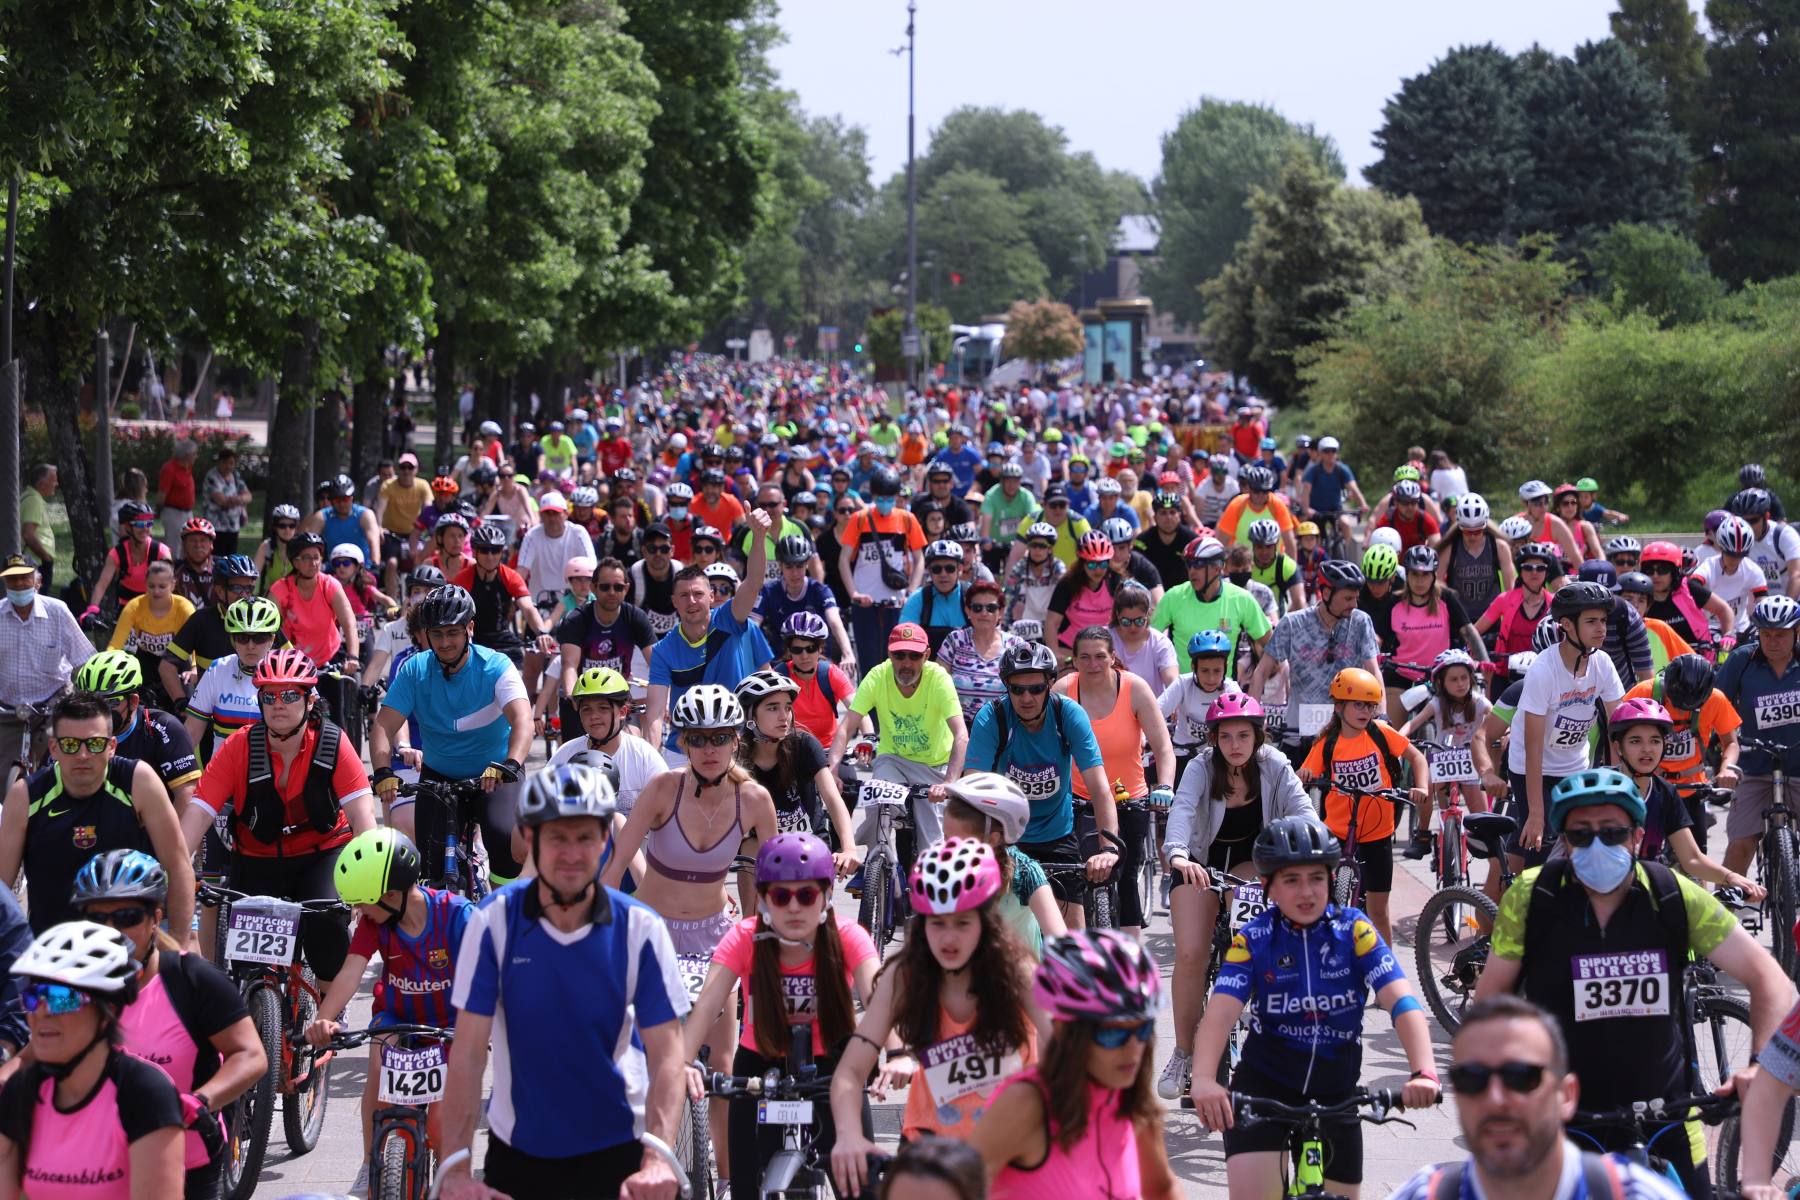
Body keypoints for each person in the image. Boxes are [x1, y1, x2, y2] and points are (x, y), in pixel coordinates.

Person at [1474, 767, 1794, 1199]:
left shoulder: (1670, 892)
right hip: (1563, 1122)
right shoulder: (1534, 897)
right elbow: (1490, 1000)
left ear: (1637, 837)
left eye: (1612, 832)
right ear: (1563, 842)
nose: (1597, 844)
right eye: (1580, 835)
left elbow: (1770, 978)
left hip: (1669, 1119)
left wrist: (1760, 1064)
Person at [439, 765, 689, 1200]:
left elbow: (667, 1054)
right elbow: (467, 1053)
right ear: (531, 841)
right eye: (557, 837)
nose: (572, 854)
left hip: (619, 1150)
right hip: (520, 1153)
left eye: (585, 838)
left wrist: (658, 1155)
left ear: (605, 842)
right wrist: (456, 1165)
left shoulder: (640, 929)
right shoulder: (494, 922)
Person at [1190, 815, 1440, 1200]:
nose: (1306, 891)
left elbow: (1402, 1002)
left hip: (1337, 1093)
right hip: (1262, 1092)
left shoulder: (1354, 931)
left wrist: (1424, 1071)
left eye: (1317, 878)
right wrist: (1205, 1080)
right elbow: (1220, 1013)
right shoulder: (1254, 939)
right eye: (1291, 880)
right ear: (1267, 887)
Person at [600, 685, 779, 1193]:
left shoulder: (754, 799)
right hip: (651, 935)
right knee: (631, 1058)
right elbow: (615, 870)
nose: (708, 748)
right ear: (682, 740)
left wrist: (772, 944)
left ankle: (724, 1180)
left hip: (714, 939)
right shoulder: (663, 789)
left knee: (724, 1068)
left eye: (719, 737)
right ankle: (629, 1166)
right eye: (697, 737)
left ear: (735, 740)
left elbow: (776, 884)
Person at [828, 839, 1041, 1197]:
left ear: (988, 921)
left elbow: (1064, 1055)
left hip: (1012, 1147)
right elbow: (850, 1071)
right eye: (937, 923)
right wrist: (848, 1135)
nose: (949, 937)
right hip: (930, 1154)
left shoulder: (1019, 972)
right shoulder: (905, 975)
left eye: (963, 923)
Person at [683, 832, 878, 1193]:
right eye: (780, 895)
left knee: (860, 1185)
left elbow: (878, 999)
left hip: (833, 1066)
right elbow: (708, 1003)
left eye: (806, 895)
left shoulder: (848, 935)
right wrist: (682, 1060)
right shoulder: (744, 937)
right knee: (745, 1186)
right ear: (762, 899)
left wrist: (895, 1054)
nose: (793, 907)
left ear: (826, 896)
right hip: (759, 1064)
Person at [72, 850, 264, 1199]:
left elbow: (250, 1055)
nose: (112, 931)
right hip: (93, 1163)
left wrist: (202, 1101)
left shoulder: (193, 980)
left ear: (154, 917)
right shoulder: (68, 987)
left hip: (184, 1163)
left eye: (127, 916)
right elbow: (32, 1057)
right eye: (97, 919)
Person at [1157, 694, 1313, 1100]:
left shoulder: (1275, 765)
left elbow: (1304, 812)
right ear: (1214, 739)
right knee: (1192, 952)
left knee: (1261, 942)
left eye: (1244, 735)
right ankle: (1184, 1053)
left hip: (1250, 863)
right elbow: (1183, 812)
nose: (1235, 745)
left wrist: (1320, 849)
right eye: (1226, 737)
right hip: (1199, 864)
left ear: (1258, 736)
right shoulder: (1200, 767)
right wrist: (1176, 854)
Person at [1386, 994, 1689, 1200]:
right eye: (1472, 1079)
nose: (1496, 1098)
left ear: (1566, 1095)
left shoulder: (1638, 1195)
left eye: (1520, 1077)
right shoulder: (1425, 1193)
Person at [969, 930, 1180, 1200]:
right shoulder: (1027, 1103)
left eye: (1142, 1030)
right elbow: (956, 1190)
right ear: (1064, 1030)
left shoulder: (1128, 1099)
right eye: (1112, 1033)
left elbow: (1162, 1188)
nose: (1133, 1048)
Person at [305, 828, 471, 1165]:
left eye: (362, 902)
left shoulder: (456, 914)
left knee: (441, 1126)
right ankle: (372, 1165)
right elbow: (351, 970)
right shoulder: (374, 923)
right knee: (379, 1079)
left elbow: (488, 976)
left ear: (391, 895)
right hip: (395, 1018)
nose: (357, 912)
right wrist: (324, 1017)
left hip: (453, 1025)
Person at [0, 921, 185, 1197]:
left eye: (61, 998)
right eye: (33, 996)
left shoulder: (145, 1093)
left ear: (107, 1009)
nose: (41, 1012)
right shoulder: (20, 1092)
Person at [369, 585, 534, 885]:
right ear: (425, 634)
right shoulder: (414, 669)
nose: (445, 642)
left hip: (496, 771)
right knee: (429, 867)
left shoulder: (495, 666)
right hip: (439, 774)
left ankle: (502, 913)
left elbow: (524, 719)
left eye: (453, 633)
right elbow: (383, 726)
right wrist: (382, 771)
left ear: (470, 628)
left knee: (507, 845)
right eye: (437, 634)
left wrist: (511, 764)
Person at [0, 690, 196, 938]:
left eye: (94, 744)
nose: (83, 755)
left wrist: (179, 947)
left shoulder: (139, 782)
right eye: (70, 745)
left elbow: (178, 867)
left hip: (129, 954)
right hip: (51, 955)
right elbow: (2, 891)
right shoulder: (25, 796)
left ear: (112, 746)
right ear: (54, 749)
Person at [963, 641, 1118, 927]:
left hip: (1056, 836)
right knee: (993, 936)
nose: (1026, 698)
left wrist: (1107, 849)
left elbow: (1100, 788)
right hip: (1005, 838)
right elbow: (973, 790)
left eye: (1036, 688)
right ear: (1006, 686)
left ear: (1050, 683)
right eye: (1017, 689)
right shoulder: (993, 717)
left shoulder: (1068, 714)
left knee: (1071, 942)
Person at [1058, 626, 1175, 937]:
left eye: (1100, 656)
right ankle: (1077, 953)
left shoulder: (1134, 689)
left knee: (1125, 878)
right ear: (1074, 660)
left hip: (1128, 798)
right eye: (1084, 657)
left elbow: (1163, 747)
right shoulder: (1062, 691)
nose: (1092, 664)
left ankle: (1130, 968)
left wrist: (1163, 785)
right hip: (1079, 799)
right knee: (1074, 876)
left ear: (1113, 658)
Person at [1297, 667, 1427, 944]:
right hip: (1338, 830)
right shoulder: (1328, 742)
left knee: (1379, 910)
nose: (1365, 711)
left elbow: (1417, 758)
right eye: (1358, 704)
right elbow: (1303, 773)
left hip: (1378, 832)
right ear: (1339, 705)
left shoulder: (1381, 732)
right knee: (1322, 901)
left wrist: (1422, 787)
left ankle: (1387, 974)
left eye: (1370, 705)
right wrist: (1305, 775)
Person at [643, 510, 778, 768]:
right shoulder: (663, 650)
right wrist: (652, 762)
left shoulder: (729, 620)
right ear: (674, 602)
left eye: (697, 594)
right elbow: (654, 715)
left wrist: (759, 537)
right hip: (681, 749)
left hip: (733, 742)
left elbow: (753, 583)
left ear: (711, 596)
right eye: (683, 596)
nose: (691, 601)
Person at [1508, 581, 1626, 867]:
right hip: (1532, 770)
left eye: (1603, 620)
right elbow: (1533, 748)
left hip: (1575, 768)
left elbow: (1620, 725)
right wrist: (1536, 813)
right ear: (1567, 625)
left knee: (1585, 845)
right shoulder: (1543, 671)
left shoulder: (1603, 663)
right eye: (1591, 621)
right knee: (1541, 847)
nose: (1601, 628)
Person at [827, 622, 968, 848]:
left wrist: (949, 782)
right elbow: (845, 727)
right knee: (876, 808)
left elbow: (961, 734)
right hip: (893, 760)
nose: (906, 663)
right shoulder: (878, 675)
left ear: (927, 655)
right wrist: (833, 772)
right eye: (899, 655)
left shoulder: (939, 679)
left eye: (914, 655)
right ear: (889, 654)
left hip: (934, 766)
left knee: (931, 849)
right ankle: (874, 863)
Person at [735, 669, 859, 872]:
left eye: (788, 707)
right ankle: (751, 907)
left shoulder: (805, 744)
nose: (784, 716)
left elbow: (832, 798)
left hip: (809, 844)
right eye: (773, 708)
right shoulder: (738, 755)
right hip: (762, 846)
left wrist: (849, 849)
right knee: (749, 848)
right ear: (750, 715)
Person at [545, 666, 665, 818]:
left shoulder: (644, 755)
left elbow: (667, 808)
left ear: (622, 712)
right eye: (586, 709)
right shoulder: (565, 754)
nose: (594, 716)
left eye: (603, 708)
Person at [1150, 536, 1272, 681]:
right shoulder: (1173, 597)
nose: (1192, 571)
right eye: (1189, 564)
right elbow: (1146, 642)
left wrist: (1258, 676)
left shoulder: (1242, 599)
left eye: (1199, 564)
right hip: (1182, 695)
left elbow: (1271, 645)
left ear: (1218, 568)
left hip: (1225, 696)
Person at [199, 447, 251, 558]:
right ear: (220, 462)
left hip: (233, 526)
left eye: (231, 463)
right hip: (215, 527)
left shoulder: (236, 476)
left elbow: (248, 496)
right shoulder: (212, 477)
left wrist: (237, 499)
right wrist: (239, 499)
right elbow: (222, 501)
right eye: (225, 462)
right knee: (215, 557)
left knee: (230, 558)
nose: (228, 466)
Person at [20, 465, 57, 592]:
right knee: (39, 601)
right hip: (36, 562)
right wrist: (45, 557)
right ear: (42, 484)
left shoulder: (30, 497)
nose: (56, 484)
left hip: (35, 561)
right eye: (54, 481)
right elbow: (28, 534)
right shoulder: (33, 501)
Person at [158, 440, 199, 545]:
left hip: (187, 513)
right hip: (174, 513)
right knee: (175, 545)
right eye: (194, 454)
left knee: (188, 544)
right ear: (187, 455)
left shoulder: (187, 467)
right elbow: (162, 494)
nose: (196, 456)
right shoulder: (170, 469)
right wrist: (158, 511)